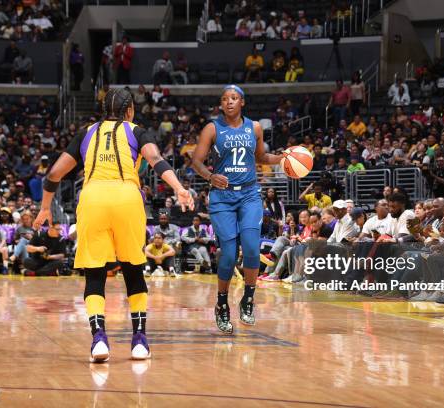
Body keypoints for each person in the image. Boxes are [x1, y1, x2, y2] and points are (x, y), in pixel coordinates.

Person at [33, 87, 193, 362]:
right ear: (129, 109)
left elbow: (55, 173)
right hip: (127, 198)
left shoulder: (86, 132)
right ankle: (139, 340)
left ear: (104, 110)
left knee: (95, 273)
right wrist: (179, 188)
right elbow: (156, 160)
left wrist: (46, 206)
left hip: (93, 198)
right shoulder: (136, 130)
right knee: (133, 270)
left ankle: (98, 340)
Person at [191, 85, 284, 333]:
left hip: (250, 195)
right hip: (222, 197)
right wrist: (210, 177)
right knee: (230, 254)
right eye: (224, 99)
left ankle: (248, 299)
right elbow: (196, 161)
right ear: (221, 105)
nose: (229, 102)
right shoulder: (212, 128)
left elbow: (262, 158)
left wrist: (283, 158)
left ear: (242, 102)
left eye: (234, 98)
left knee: (253, 249)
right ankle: (222, 304)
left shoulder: (254, 127)